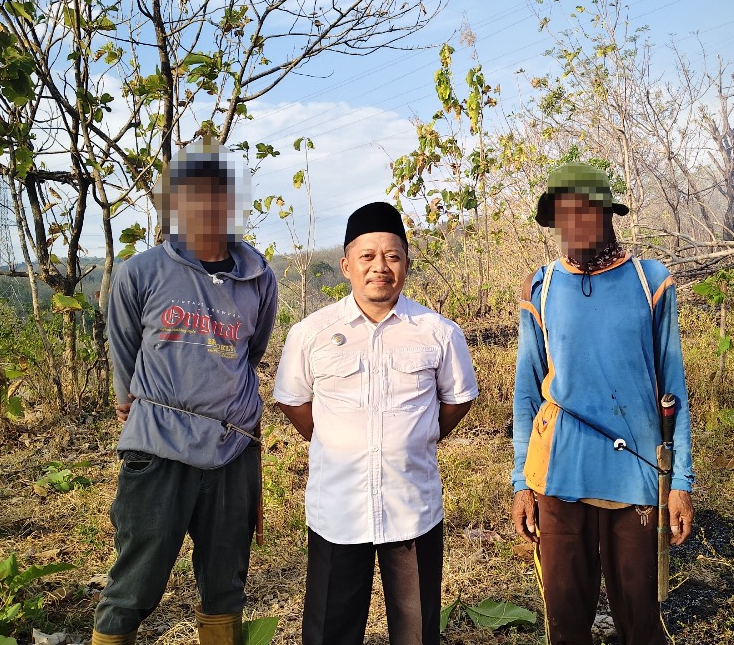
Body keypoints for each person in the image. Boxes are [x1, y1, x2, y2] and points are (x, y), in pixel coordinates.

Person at [92, 145, 278, 645]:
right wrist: (135, 406)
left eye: (218, 198)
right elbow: (124, 355)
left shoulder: (258, 277)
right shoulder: (142, 273)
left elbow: (249, 351)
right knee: (135, 582)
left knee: (225, 585)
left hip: (233, 449)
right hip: (158, 449)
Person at [272, 201, 479, 645]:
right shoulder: (311, 333)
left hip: (411, 508)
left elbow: (458, 400)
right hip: (338, 510)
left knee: (417, 632)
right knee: (331, 629)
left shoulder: (438, 332)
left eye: (392, 256)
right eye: (367, 256)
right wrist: (332, 439)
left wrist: (417, 437)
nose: (379, 267)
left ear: (406, 263)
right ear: (347, 264)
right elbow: (293, 401)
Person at [511, 160, 695, 645]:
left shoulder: (649, 281)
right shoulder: (542, 287)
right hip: (557, 474)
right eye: (562, 215)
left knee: (641, 618)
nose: (573, 226)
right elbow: (528, 392)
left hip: (634, 475)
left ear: (608, 215)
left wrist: (679, 483)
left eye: (585, 213)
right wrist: (520, 482)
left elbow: (673, 387)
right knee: (566, 621)